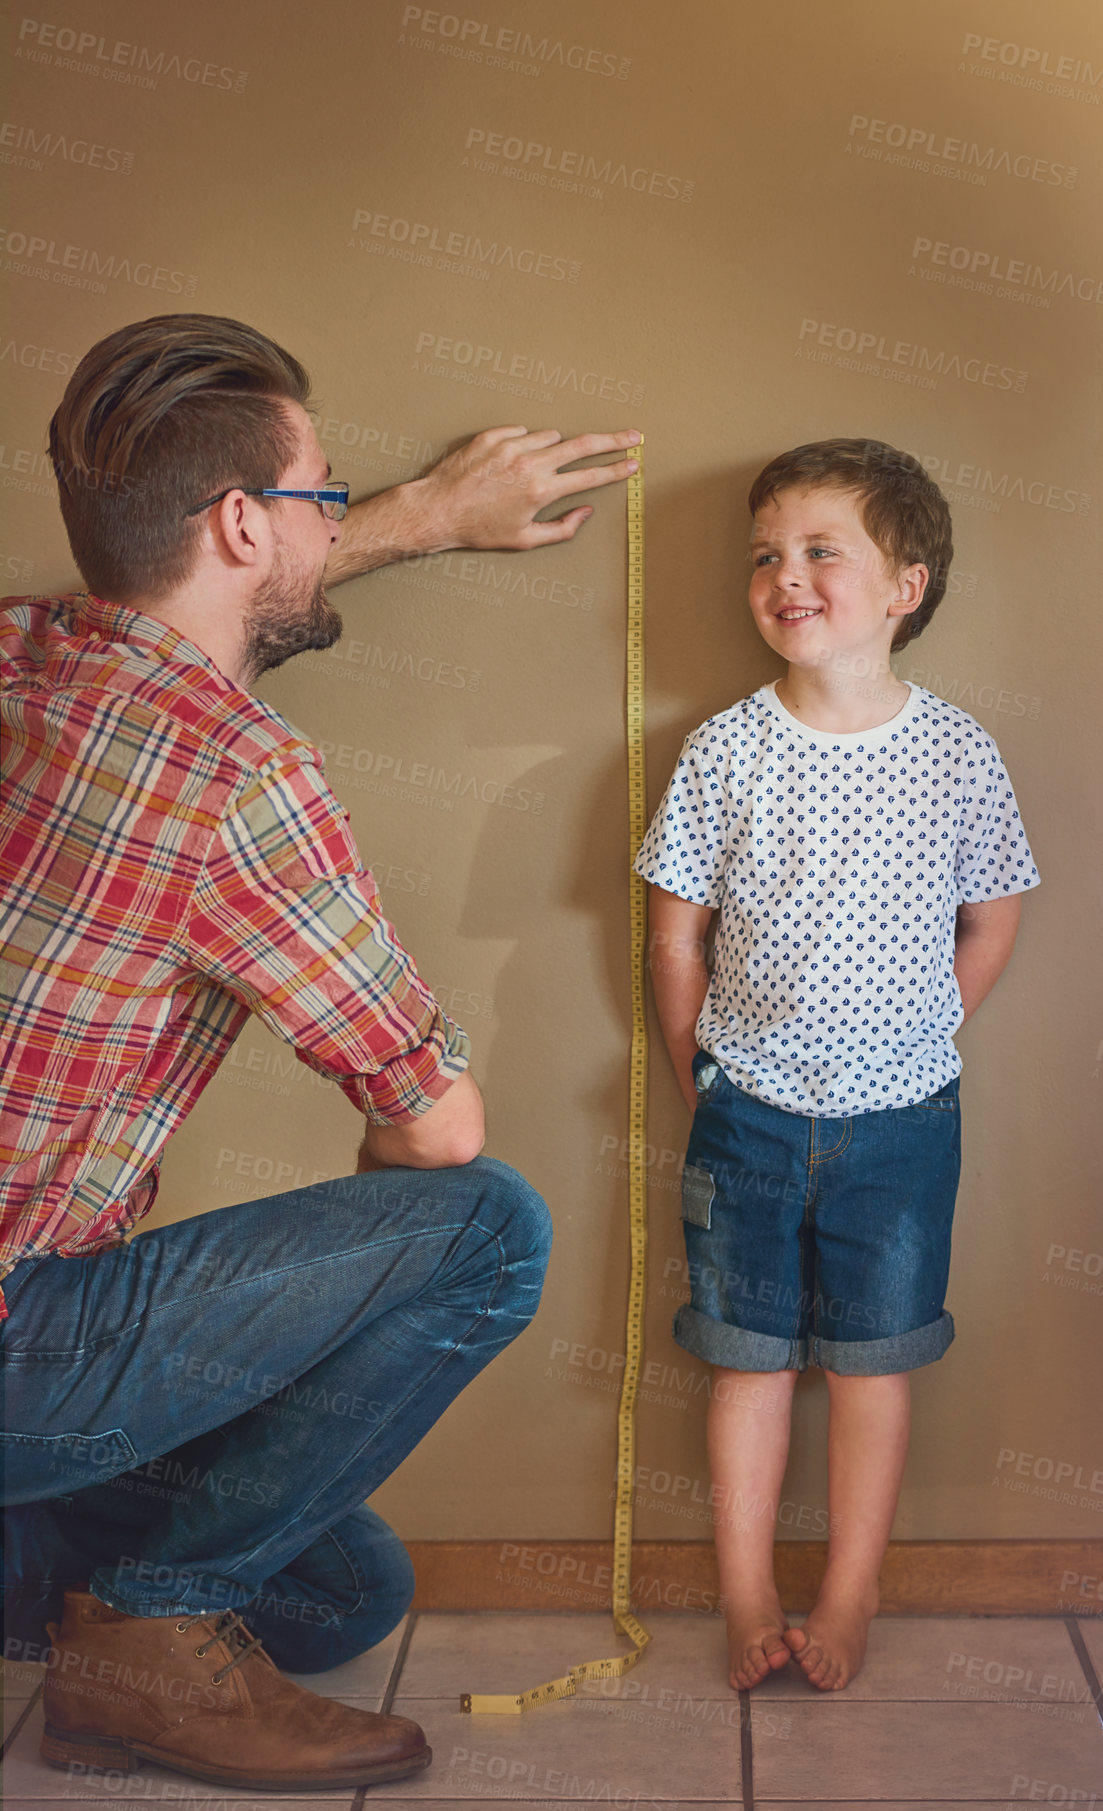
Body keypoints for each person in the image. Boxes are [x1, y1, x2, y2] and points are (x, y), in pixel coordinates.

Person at [0, 312, 641, 1789]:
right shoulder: (240, 774)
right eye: (327, 493)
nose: (342, 516)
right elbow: (437, 1135)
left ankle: (121, 1603)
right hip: (19, 1333)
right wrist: (358, 1274)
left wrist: (410, 518)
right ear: (241, 521)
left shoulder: (31, 652)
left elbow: (174, 614)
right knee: (480, 1227)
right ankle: (139, 1652)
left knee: (332, 1588)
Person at [634, 438, 1039, 1695]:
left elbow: (994, 912)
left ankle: (848, 1586)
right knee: (745, 1359)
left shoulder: (956, 751)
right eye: (765, 554)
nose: (786, 576)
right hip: (744, 1111)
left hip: (905, 1120)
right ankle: (745, 1584)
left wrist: (930, 1023)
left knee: (872, 1364)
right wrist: (692, 1061)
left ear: (902, 585)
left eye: (821, 551)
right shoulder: (723, 749)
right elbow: (672, 927)